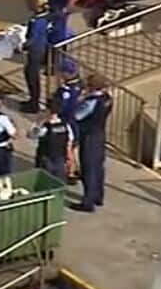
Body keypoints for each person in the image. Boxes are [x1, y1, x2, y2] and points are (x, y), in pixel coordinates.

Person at [72, 74, 112, 212]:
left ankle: (87, 202)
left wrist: (79, 100)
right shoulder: (107, 99)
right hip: (100, 134)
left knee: (88, 168)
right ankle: (98, 196)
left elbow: (78, 116)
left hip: (89, 136)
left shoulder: (91, 102)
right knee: (98, 167)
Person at [51, 60, 84, 181]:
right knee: (74, 147)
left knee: (67, 147)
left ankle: (71, 172)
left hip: (67, 121)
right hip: (77, 121)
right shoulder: (81, 85)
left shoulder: (64, 91)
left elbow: (62, 107)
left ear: (66, 73)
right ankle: (74, 169)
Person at [21, 0, 51, 113]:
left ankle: (34, 103)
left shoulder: (36, 21)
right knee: (31, 74)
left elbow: (32, 38)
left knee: (32, 76)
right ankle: (33, 99)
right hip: (41, 48)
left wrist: (23, 46)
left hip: (35, 50)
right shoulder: (45, 17)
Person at [33, 101, 74, 183]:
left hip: (46, 158)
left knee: (44, 182)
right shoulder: (65, 125)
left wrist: (38, 122)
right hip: (60, 157)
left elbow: (32, 135)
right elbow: (69, 142)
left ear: (48, 111)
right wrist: (69, 157)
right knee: (59, 182)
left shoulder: (45, 127)